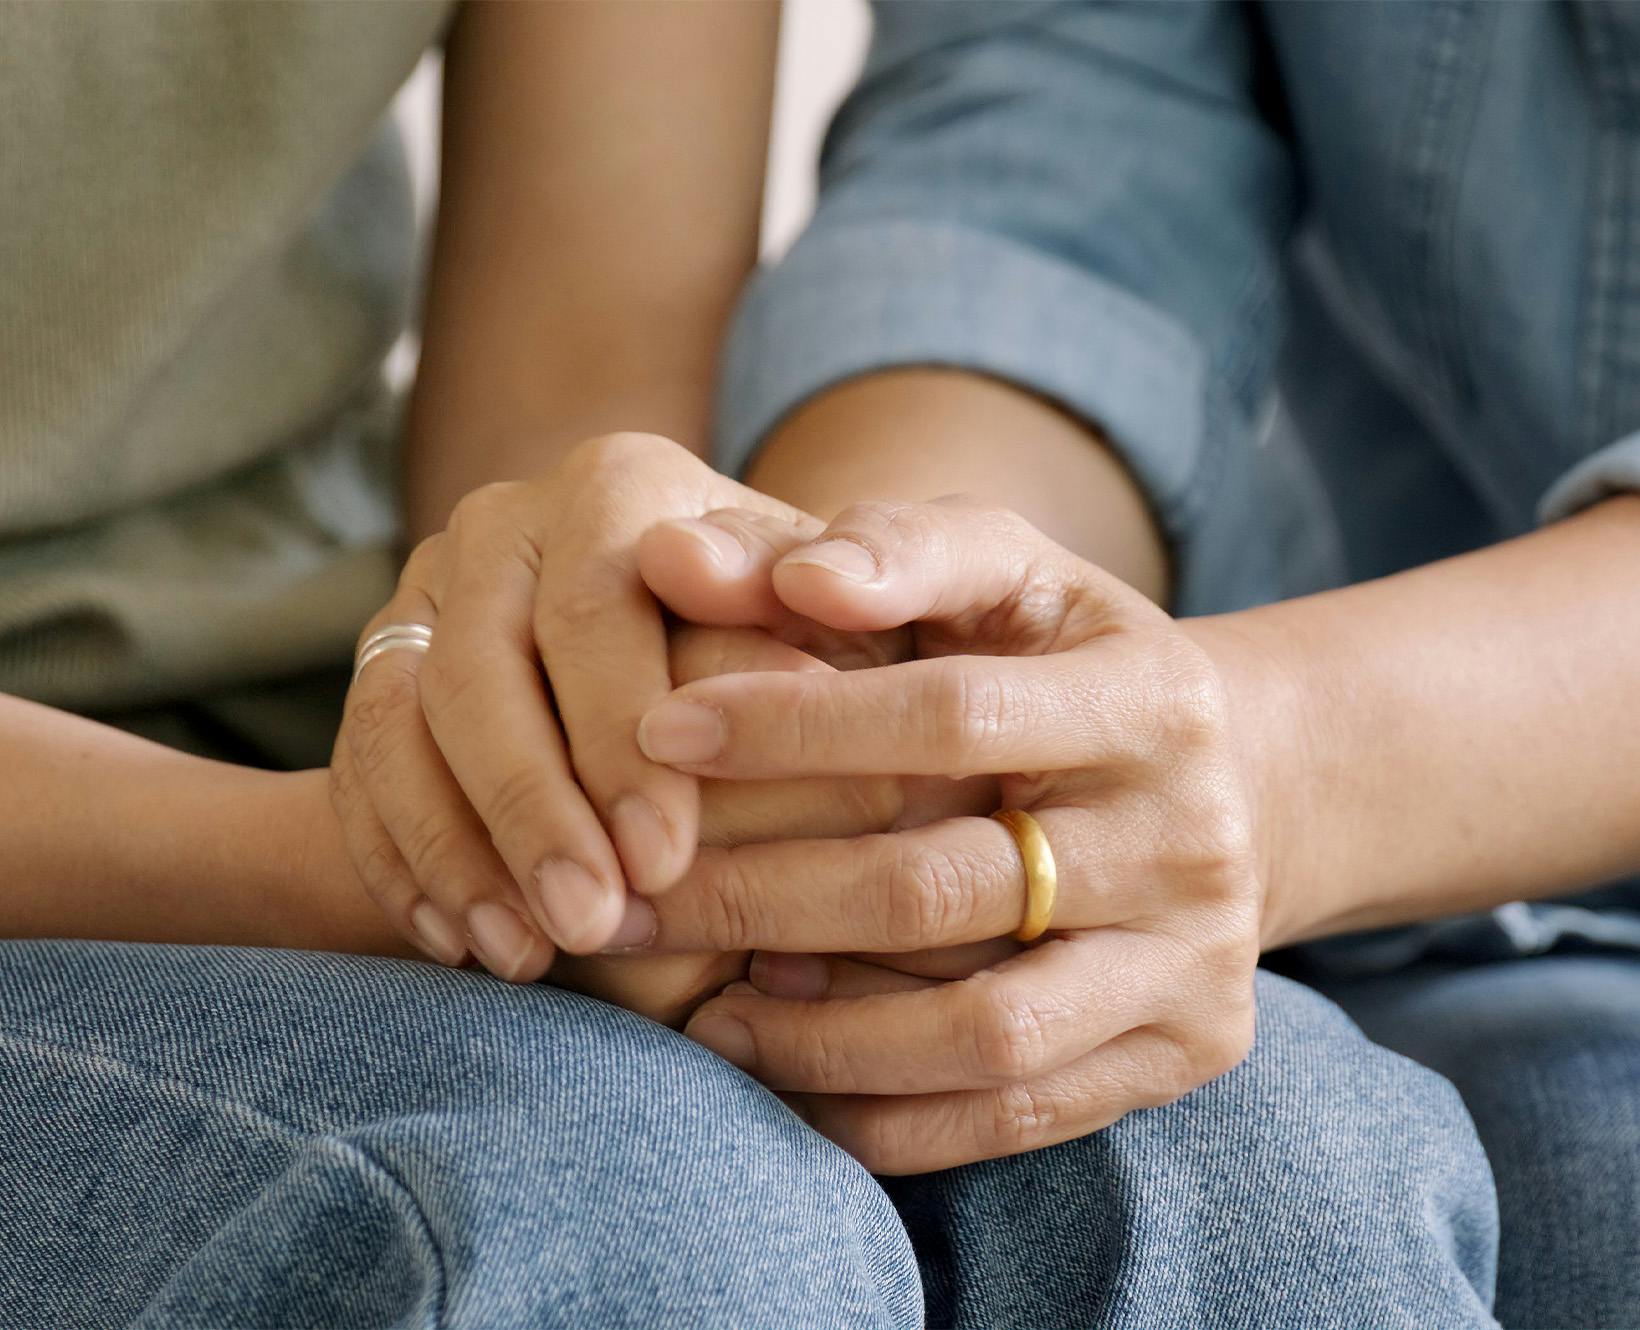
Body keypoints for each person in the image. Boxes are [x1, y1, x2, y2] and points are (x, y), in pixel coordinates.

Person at [2, 7, 1635, 1330]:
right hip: (229, 832)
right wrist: (842, 673)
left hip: (341, 772)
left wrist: (761, 740)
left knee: (1257, 1145)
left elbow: (557, 428)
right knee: (649, 1219)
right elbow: (1047, 176)